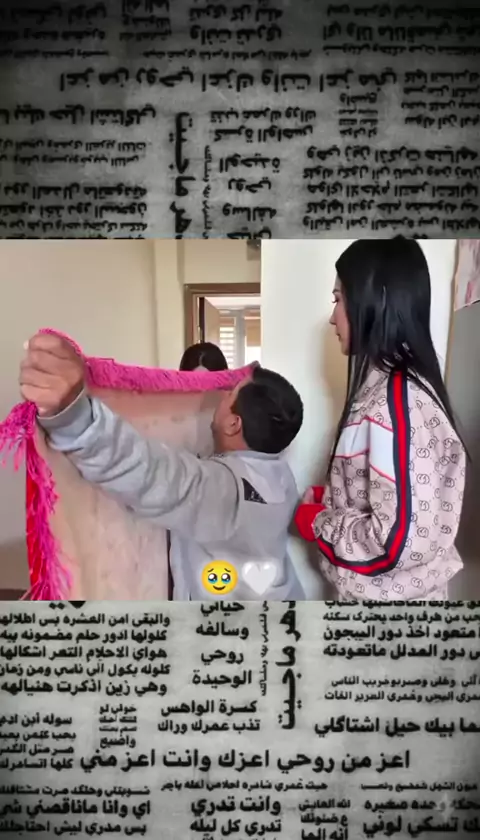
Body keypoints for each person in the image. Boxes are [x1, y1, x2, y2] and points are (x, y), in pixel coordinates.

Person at [20, 332, 305, 601]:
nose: (216, 398)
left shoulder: (224, 492)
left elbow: (152, 474)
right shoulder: (279, 476)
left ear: (233, 423)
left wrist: (74, 418)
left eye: (227, 394)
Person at [295, 236, 466, 601]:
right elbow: (403, 500)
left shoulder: (396, 403)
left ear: (377, 300)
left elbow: (397, 542)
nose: (333, 317)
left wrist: (319, 521)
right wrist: (337, 497)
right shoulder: (388, 394)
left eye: (338, 299)